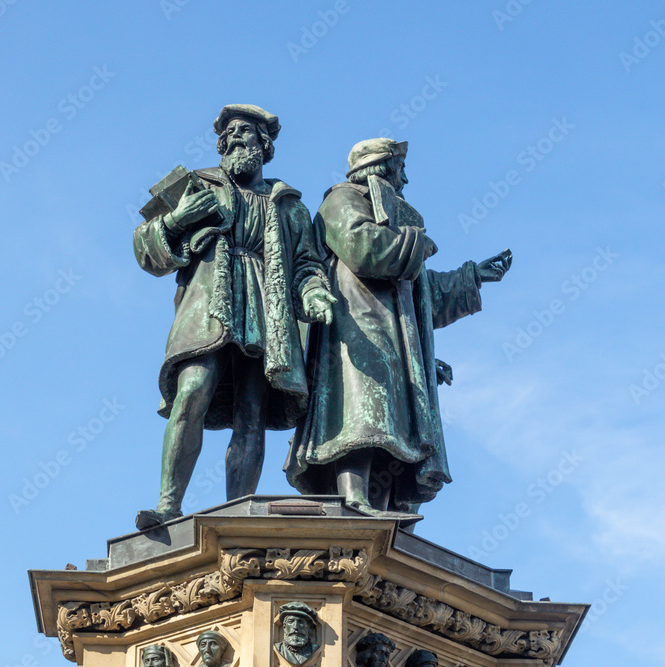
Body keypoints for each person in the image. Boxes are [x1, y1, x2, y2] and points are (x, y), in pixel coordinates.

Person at [133, 104, 334, 529]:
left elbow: (306, 264)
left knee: (251, 412)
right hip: (208, 306)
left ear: (265, 145)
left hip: (267, 307)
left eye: (248, 132)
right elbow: (144, 249)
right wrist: (177, 219)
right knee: (192, 391)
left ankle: (238, 511)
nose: (237, 138)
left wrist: (314, 293)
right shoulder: (197, 186)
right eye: (231, 132)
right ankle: (169, 505)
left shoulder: (287, 205)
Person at [286, 138, 511, 516]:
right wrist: (415, 243)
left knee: (394, 426)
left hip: (396, 334)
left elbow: (422, 292)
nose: (405, 177)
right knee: (359, 414)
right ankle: (353, 497)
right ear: (382, 167)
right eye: (400, 168)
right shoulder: (340, 200)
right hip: (354, 324)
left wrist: (473, 277)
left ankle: (382, 506)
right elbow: (362, 248)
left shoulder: (394, 218)